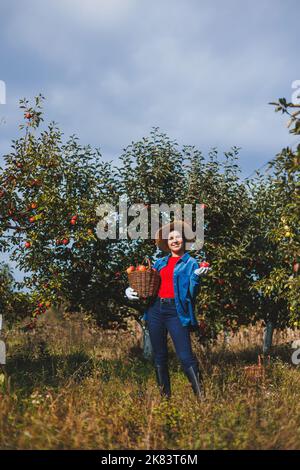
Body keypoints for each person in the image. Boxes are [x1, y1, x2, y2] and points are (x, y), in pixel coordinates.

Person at [125, 220, 210, 400]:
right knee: (159, 356)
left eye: (177, 237)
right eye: (171, 238)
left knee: (185, 356)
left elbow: (192, 295)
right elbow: (148, 285)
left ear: (184, 240)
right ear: (167, 242)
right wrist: (131, 291)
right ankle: (166, 399)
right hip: (156, 309)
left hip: (175, 311)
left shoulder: (191, 263)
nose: (174, 240)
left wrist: (196, 278)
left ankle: (202, 399)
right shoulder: (159, 263)